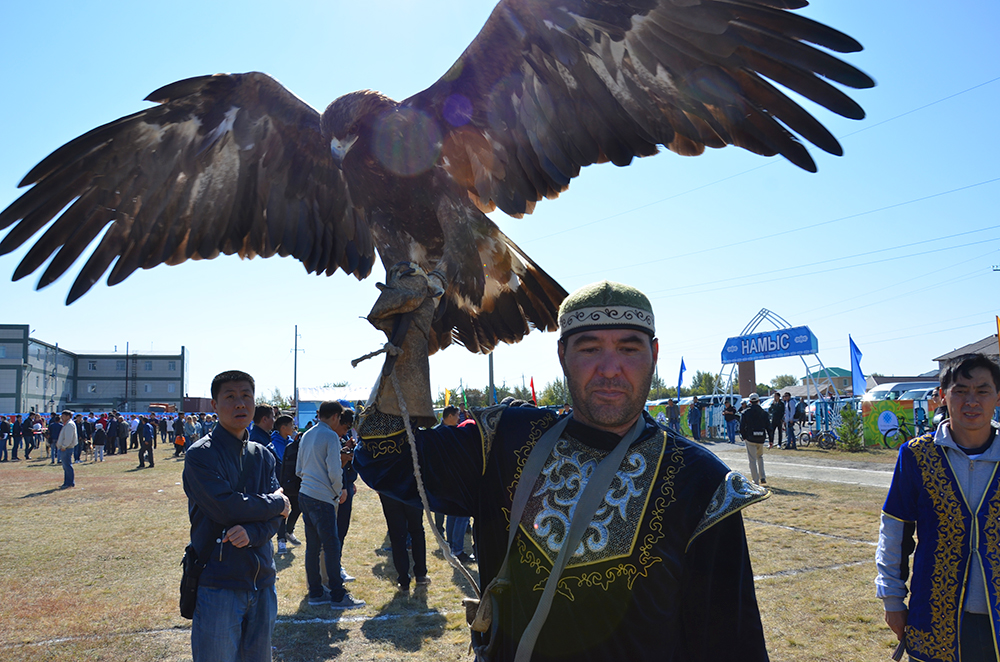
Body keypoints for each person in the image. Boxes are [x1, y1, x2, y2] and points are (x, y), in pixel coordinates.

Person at [356, 273, 770, 661]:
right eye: (589, 349)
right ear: (562, 355)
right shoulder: (504, 440)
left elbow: (731, 643)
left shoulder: (700, 481)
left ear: (654, 354)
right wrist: (409, 333)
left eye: (628, 348)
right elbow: (385, 458)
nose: (610, 369)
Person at [876, 354, 1000, 662]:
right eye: (961, 390)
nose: (971, 400)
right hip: (935, 614)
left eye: (983, 391)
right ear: (942, 396)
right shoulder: (917, 456)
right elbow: (894, 530)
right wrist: (892, 598)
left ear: (998, 396)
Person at [182, 370, 291, 662]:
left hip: (263, 580)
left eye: (246, 396)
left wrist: (254, 532)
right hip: (219, 581)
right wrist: (276, 502)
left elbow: (277, 519)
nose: (240, 403)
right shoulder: (200, 455)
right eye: (230, 397)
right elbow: (227, 507)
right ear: (215, 405)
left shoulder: (263, 455)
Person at [296, 400, 365, 609]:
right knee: (332, 546)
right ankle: (337, 595)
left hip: (305, 494)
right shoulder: (330, 437)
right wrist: (337, 492)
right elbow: (335, 472)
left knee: (313, 547)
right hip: (322, 498)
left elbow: (299, 468)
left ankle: (316, 593)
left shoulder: (307, 434)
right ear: (335, 416)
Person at [739, 393, 770, 485]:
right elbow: (769, 426)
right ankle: (762, 476)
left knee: (752, 460)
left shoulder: (745, 412)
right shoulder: (764, 413)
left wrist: (744, 436)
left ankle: (755, 480)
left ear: (749, 401)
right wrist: (771, 439)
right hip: (761, 438)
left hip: (750, 438)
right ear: (758, 401)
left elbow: (741, 427)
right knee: (760, 457)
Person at [55, 410, 77, 489]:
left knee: (67, 466)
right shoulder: (67, 424)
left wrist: (64, 446)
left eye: (63, 416)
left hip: (66, 448)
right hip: (65, 448)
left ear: (68, 416)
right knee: (65, 466)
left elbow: (68, 438)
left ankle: (69, 483)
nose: (62, 418)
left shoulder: (69, 425)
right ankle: (67, 482)